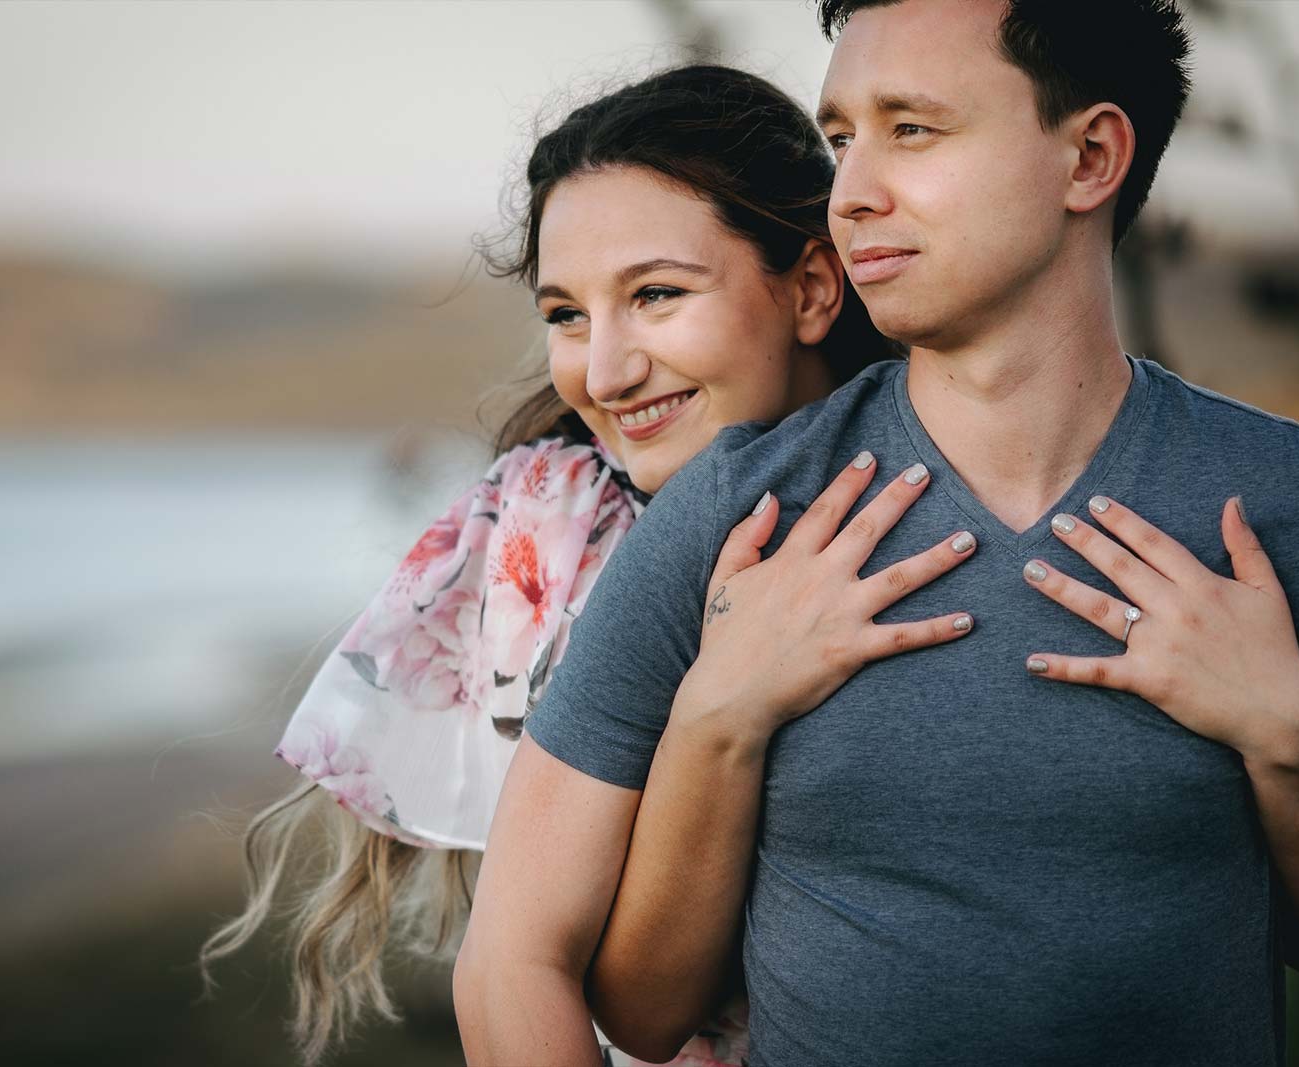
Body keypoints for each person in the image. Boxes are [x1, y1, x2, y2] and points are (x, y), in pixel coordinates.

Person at [457, 2, 1299, 1065]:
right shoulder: (734, 520)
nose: (851, 193)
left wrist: (1293, 741)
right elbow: (586, 989)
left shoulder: (1290, 506)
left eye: (910, 129)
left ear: (1089, 156)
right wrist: (719, 712)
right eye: (839, 139)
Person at [199, 64, 976, 1066]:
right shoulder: (567, 548)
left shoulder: (964, 492)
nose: (602, 372)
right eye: (566, 315)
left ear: (814, 287)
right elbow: (561, 976)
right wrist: (720, 707)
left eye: (654, 294)